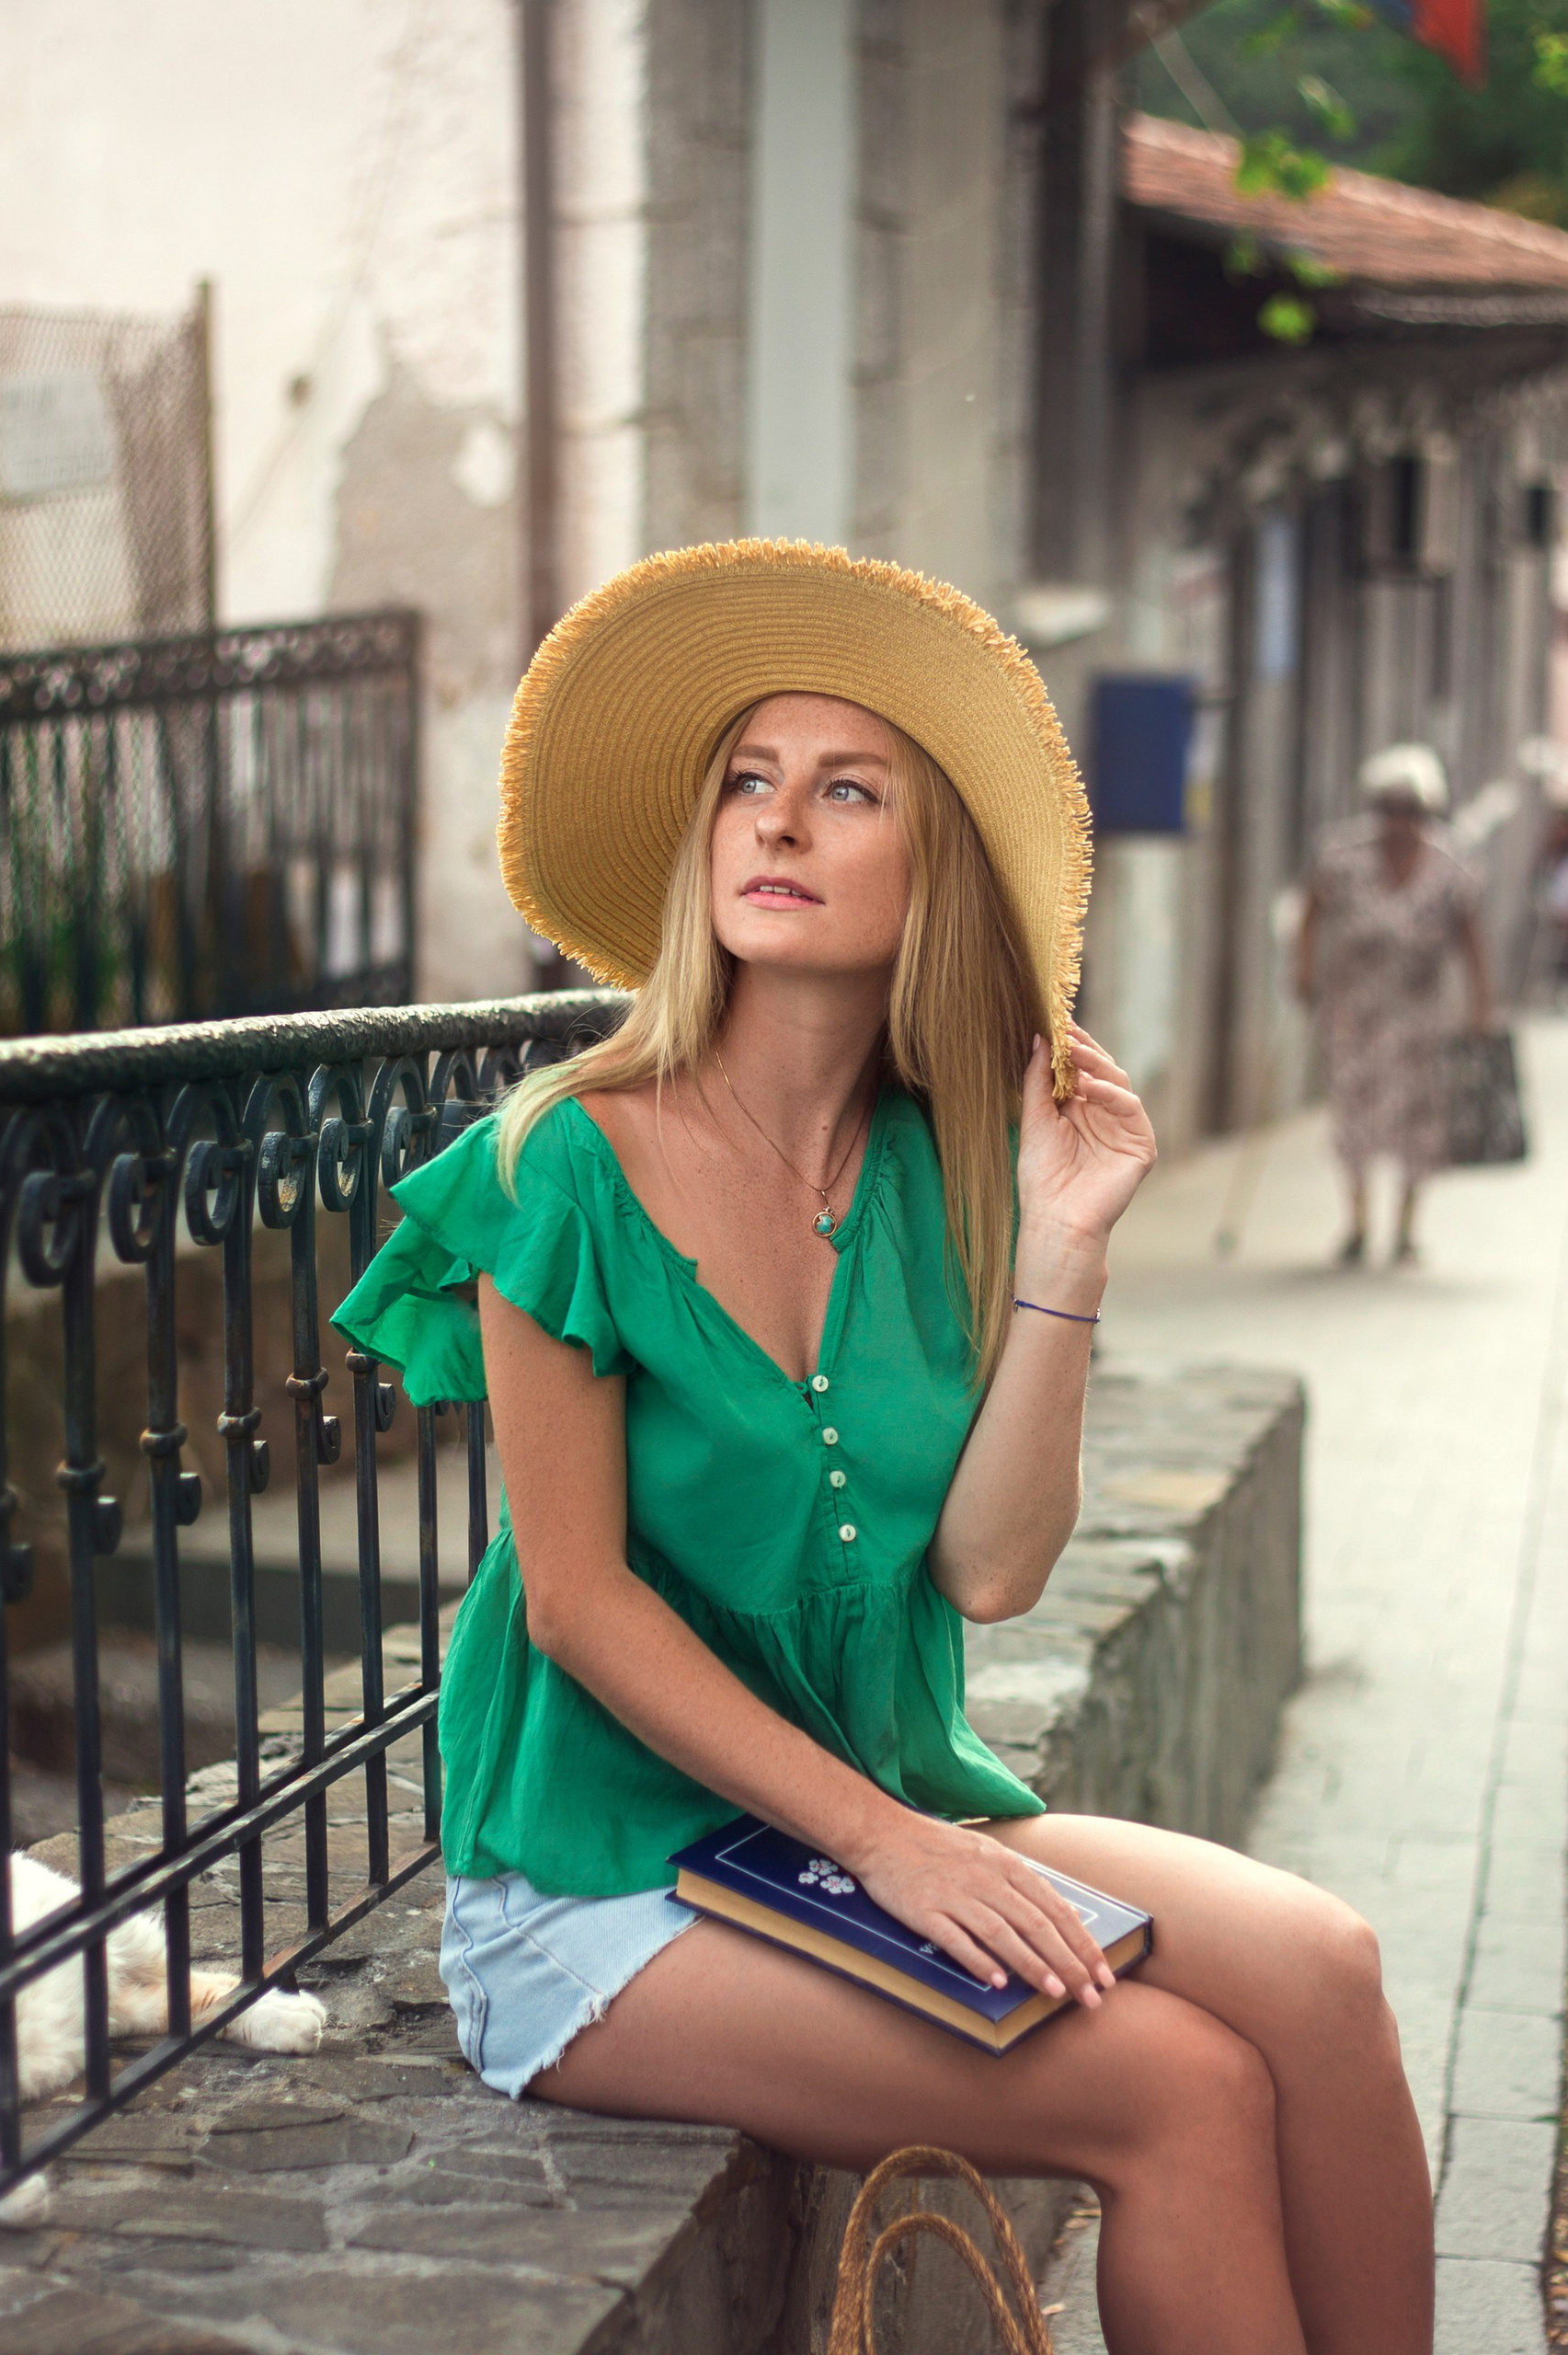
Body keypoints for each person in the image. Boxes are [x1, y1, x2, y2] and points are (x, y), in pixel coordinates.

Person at [335, 544, 1433, 2355]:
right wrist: (894, 1846)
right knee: (1173, 2089)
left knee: (1321, 1967)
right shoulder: (559, 1165)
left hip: (859, 1831)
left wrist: (1068, 1249)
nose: (778, 822)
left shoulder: (962, 1172)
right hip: (605, 1885)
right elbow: (580, 1606)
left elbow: (992, 1570)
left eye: (846, 790)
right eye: (748, 785)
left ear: (927, 871)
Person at [1293, 743, 1495, 1267]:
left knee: (1420, 1116)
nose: (1400, 820)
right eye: (1390, 807)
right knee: (1354, 1109)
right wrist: (1304, 969)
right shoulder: (1342, 855)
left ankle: (1405, 1227)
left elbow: (1471, 938)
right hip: (1356, 1004)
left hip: (1421, 1007)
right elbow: (1311, 911)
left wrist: (1482, 1005)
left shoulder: (1451, 864)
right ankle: (1357, 1223)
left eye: (1412, 809)